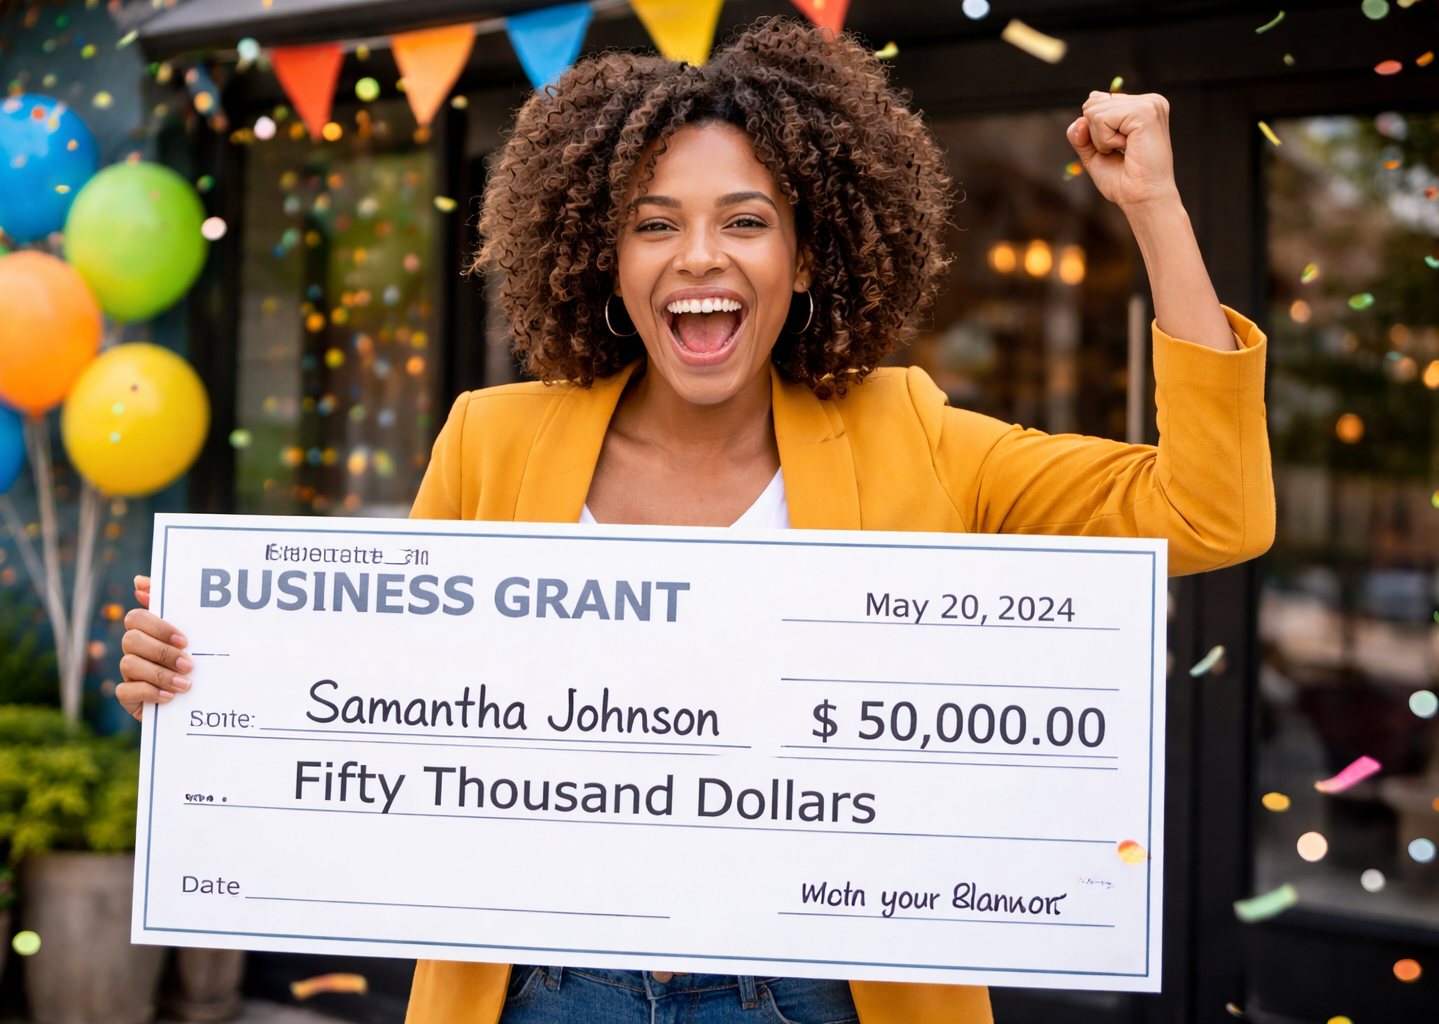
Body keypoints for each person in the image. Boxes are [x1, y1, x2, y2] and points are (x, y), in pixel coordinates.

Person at [119, 18, 1273, 1024]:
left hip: (813, 997)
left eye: (746, 220)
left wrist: (1156, 209)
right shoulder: (489, 440)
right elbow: (376, 706)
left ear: (808, 256)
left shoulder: (912, 432)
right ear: (606, 258)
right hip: (542, 990)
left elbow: (1210, 510)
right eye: (655, 223)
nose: (701, 256)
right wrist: (209, 675)